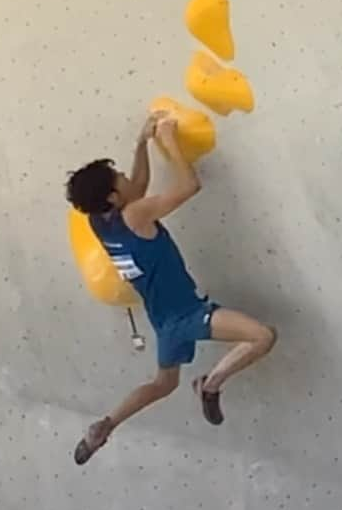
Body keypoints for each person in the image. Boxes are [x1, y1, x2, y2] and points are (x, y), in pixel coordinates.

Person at [66, 113, 277, 465]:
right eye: (119, 176)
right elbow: (189, 186)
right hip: (189, 315)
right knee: (262, 336)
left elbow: (137, 188)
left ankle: (104, 426)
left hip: (162, 320)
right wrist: (169, 141)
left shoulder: (101, 221)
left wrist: (140, 143)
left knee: (163, 384)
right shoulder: (136, 215)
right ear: (114, 196)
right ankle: (209, 384)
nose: (125, 177)